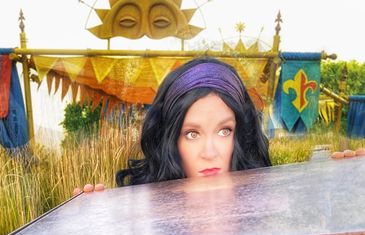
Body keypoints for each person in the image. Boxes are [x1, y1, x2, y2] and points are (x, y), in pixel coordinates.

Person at [73, 57, 272, 194]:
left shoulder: (272, 205)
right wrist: (92, 228)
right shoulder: (139, 218)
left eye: (224, 131)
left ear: (242, 134)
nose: (209, 153)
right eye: (192, 134)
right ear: (170, 140)